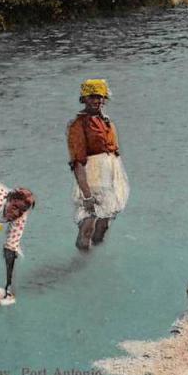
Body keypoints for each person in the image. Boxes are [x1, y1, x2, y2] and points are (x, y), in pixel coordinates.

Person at [67, 79, 129, 250]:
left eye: (100, 97)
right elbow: (78, 162)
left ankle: (96, 261)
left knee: (104, 223)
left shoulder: (106, 121)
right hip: (92, 177)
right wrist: (86, 194)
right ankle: (81, 260)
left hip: (111, 176)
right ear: (84, 99)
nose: (97, 101)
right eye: (92, 97)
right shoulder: (78, 125)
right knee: (88, 223)